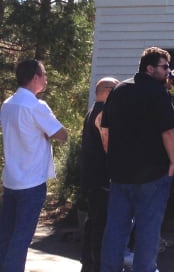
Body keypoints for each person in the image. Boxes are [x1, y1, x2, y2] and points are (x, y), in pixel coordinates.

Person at [99, 46, 174, 272]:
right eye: (164, 67)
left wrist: (112, 157)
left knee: (115, 230)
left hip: (120, 175)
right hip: (152, 176)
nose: (168, 72)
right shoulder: (158, 93)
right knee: (147, 231)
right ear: (150, 68)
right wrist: (173, 163)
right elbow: (170, 132)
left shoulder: (118, 90)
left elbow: (104, 130)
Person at [0, 59, 68, 272]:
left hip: (11, 177)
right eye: (44, 74)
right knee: (22, 237)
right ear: (35, 77)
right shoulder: (36, 106)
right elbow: (62, 135)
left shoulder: (8, 103)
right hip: (32, 181)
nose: (46, 79)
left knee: (7, 234)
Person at [79, 76, 119, 272]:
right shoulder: (103, 113)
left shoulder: (92, 110)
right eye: (117, 89)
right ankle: (97, 265)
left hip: (91, 175)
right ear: (108, 90)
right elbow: (108, 145)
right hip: (101, 177)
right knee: (100, 224)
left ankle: (87, 261)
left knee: (92, 219)